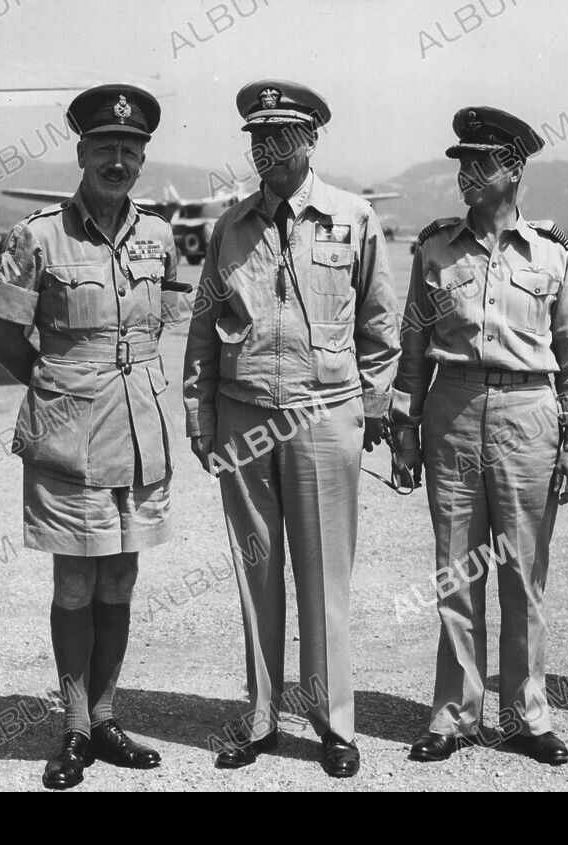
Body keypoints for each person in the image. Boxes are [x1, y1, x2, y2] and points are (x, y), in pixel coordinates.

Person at [182, 79, 400, 778]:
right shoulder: (231, 226)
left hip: (323, 412)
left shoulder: (353, 217)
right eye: (257, 139)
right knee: (257, 569)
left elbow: (381, 326)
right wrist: (200, 413)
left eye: (282, 137)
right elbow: (202, 333)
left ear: (311, 139)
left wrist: (373, 404)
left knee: (324, 573)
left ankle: (334, 723)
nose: (268, 150)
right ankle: (260, 716)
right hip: (244, 413)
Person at [392, 106, 568, 766]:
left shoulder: (554, 254)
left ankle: (524, 713)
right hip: (451, 415)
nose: (466, 175)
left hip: (527, 418)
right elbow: (412, 351)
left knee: (522, 576)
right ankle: (453, 714)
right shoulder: (434, 249)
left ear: (513, 171)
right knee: (456, 574)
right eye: (461, 163)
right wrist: (403, 431)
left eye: (480, 163)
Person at [0, 84, 180, 789]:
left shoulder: (158, 234)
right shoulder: (38, 235)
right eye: (106, 147)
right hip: (70, 431)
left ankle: (105, 717)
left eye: (130, 150)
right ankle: (72, 725)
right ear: (81, 152)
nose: (119, 160)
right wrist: (59, 384)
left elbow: (158, 326)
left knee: (122, 575)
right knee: (75, 577)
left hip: (139, 431)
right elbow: (4, 334)